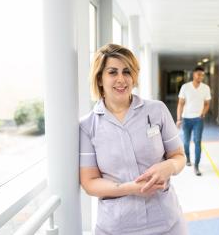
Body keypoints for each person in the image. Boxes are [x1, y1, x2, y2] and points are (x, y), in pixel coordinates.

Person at [79, 44, 188, 234]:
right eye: (112, 72)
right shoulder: (88, 126)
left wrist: (168, 167)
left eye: (127, 72)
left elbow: (179, 156)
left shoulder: (157, 110)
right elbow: (90, 182)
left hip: (166, 222)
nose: (121, 79)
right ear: (99, 78)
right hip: (116, 227)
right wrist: (131, 188)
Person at [176, 66, 211, 176]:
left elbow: (207, 104)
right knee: (186, 143)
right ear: (194, 74)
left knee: (197, 142)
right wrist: (178, 119)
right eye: (198, 74)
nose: (200, 76)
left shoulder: (206, 88)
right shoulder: (185, 87)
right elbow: (180, 103)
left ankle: (196, 165)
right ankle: (188, 158)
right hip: (186, 118)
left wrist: (203, 113)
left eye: (202, 75)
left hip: (198, 119)